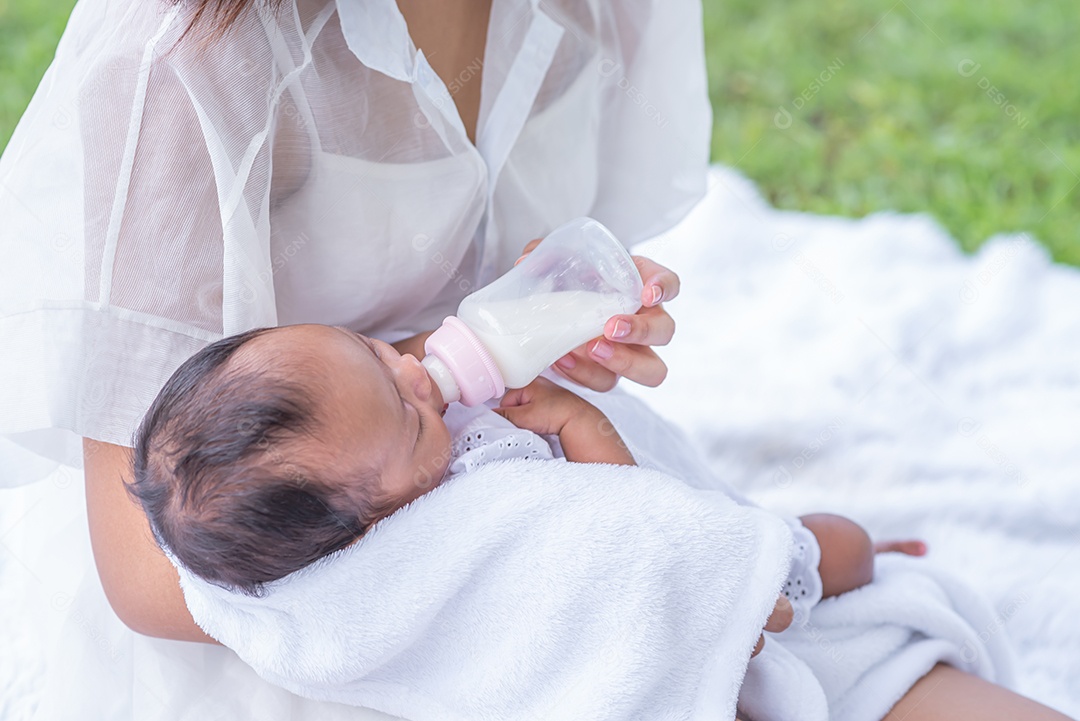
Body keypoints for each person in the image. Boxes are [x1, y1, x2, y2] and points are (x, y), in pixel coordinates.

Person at [0, 0, 1070, 718]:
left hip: (539, 494)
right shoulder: (189, 56)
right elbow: (152, 567)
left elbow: (641, 538)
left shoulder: (592, 13)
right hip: (306, 616)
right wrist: (507, 565)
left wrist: (548, 328)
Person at [127, 323, 879, 629]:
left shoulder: (383, 471)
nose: (416, 372)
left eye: (376, 350)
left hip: (701, 536)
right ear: (371, 525)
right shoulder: (478, 523)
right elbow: (634, 531)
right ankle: (794, 591)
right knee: (843, 547)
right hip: (686, 591)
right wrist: (581, 427)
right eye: (406, 410)